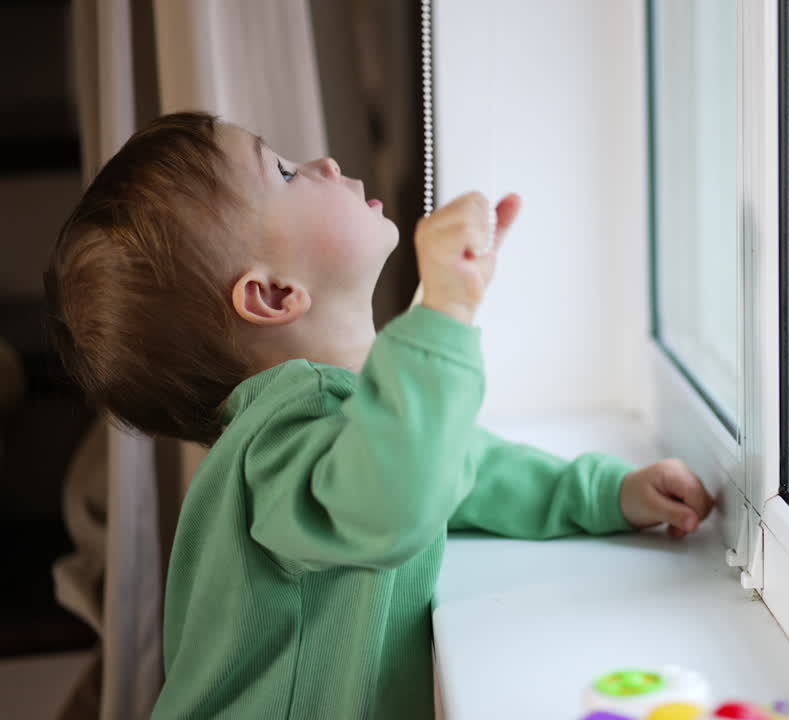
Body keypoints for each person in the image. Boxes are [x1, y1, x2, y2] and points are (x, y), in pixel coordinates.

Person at [45, 111, 714, 719]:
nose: (324, 164)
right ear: (273, 294)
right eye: (284, 172)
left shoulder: (348, 419)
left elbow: (457, 464)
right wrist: (445, 308)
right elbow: (394, 500)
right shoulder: (275, 441)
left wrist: (603, 493)